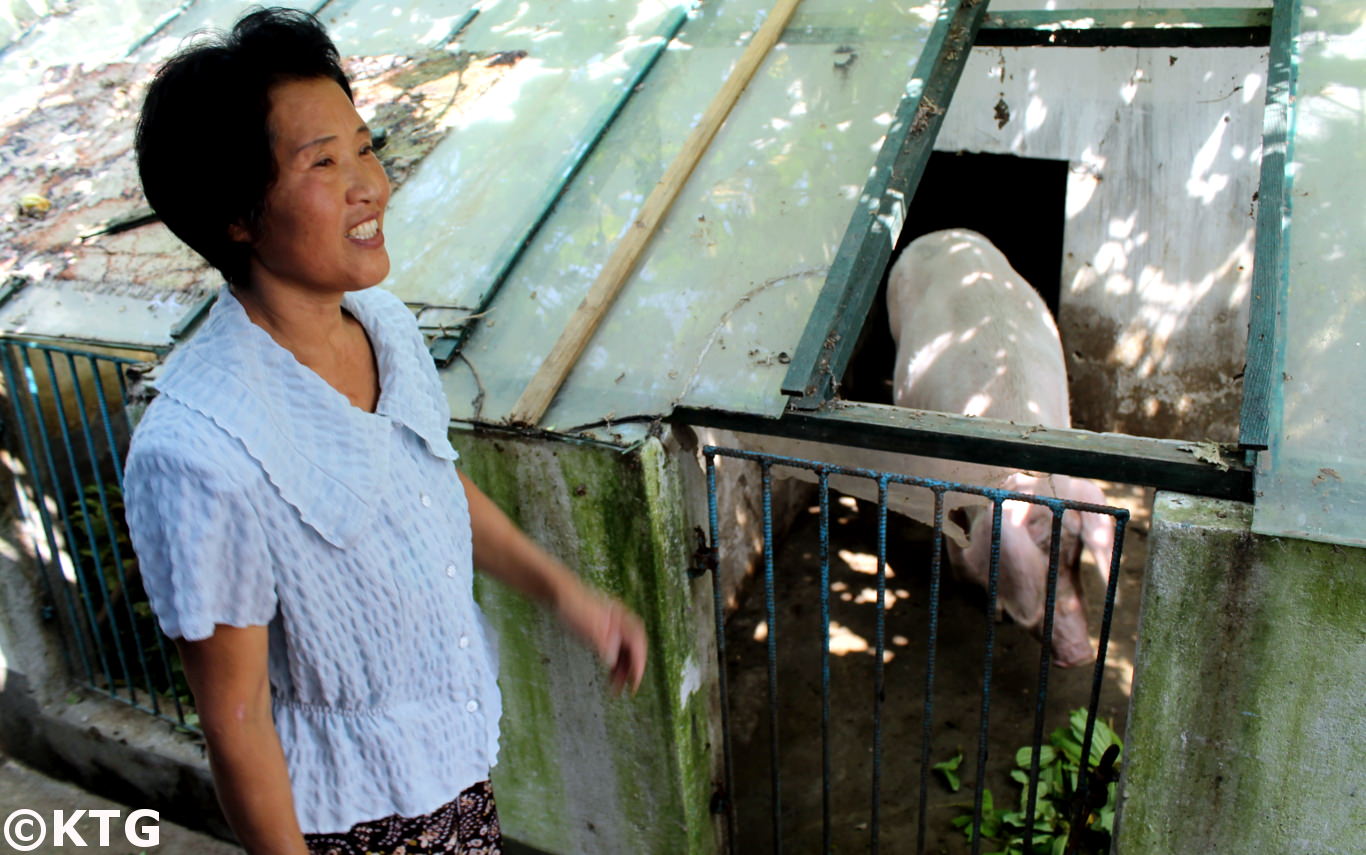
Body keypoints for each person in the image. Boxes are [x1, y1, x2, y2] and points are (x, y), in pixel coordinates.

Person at [124, 8, 648, 854]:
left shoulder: (383, 325)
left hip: (455, 762)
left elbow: (428, 486)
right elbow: (237, 718)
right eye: (323, 162)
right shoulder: (198, 450)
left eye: (364, 146)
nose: (372, 184)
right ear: (234, 216)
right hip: (350, 823)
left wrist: (572, 597)